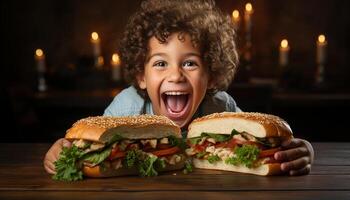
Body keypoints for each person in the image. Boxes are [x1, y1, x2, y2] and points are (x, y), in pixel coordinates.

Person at [44, 0, 314, 176]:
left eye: (190, 63)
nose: (175, 75)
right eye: (161, 63)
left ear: (211, 76)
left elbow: (265, 142)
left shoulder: (221, 106)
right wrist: (63, 150)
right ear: (141, 75)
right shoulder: (127, 106)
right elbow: (90, 147)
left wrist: (302, 149)